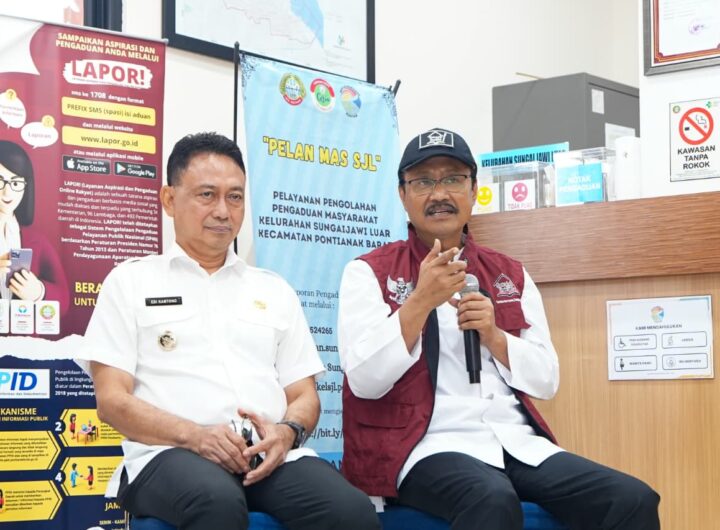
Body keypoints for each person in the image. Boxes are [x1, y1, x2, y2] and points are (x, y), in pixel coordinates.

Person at [338, 127, 660, 530]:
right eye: (423, 182)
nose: (439, 194)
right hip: (423, 446)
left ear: (474, 190)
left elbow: (546, 381)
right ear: (403, 195)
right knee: (490, 499)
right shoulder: (368, 272)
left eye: (453, 179)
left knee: (631, 498)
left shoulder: (510, 274)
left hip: (514, 441)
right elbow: (365, 381)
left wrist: (494, 336)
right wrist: (419, 302)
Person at [85, 132, 379, 530]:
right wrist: (195, 436)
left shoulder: (273, 289)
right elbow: (111, 400)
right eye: (207, 195)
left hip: (264, 456)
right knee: (217, 501)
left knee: (352, 511)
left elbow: (303, 395)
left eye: (235, 197)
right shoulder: (130, 282)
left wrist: (286, 433)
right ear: (169, 200)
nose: (223, 211)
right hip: (169, 455)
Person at [0, 141, 69, 312]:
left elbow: (64, 299)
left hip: (22, 327)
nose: (7, 192)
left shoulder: (37, 241)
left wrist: (39, 292)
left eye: (16, 183)